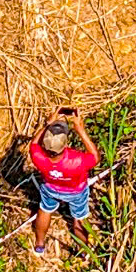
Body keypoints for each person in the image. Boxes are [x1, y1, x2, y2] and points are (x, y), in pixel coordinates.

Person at [26, 108, 101, 256]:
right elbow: (95, 156)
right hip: (76, 192)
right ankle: (84, 250)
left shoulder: (38, 156)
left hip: (51, 189)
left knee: (45, 210)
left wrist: (47, 125)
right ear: (65, 144)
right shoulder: (76, 160)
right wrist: (80, 130)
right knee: (78, 218)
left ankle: (40, 244)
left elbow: (34, 143)